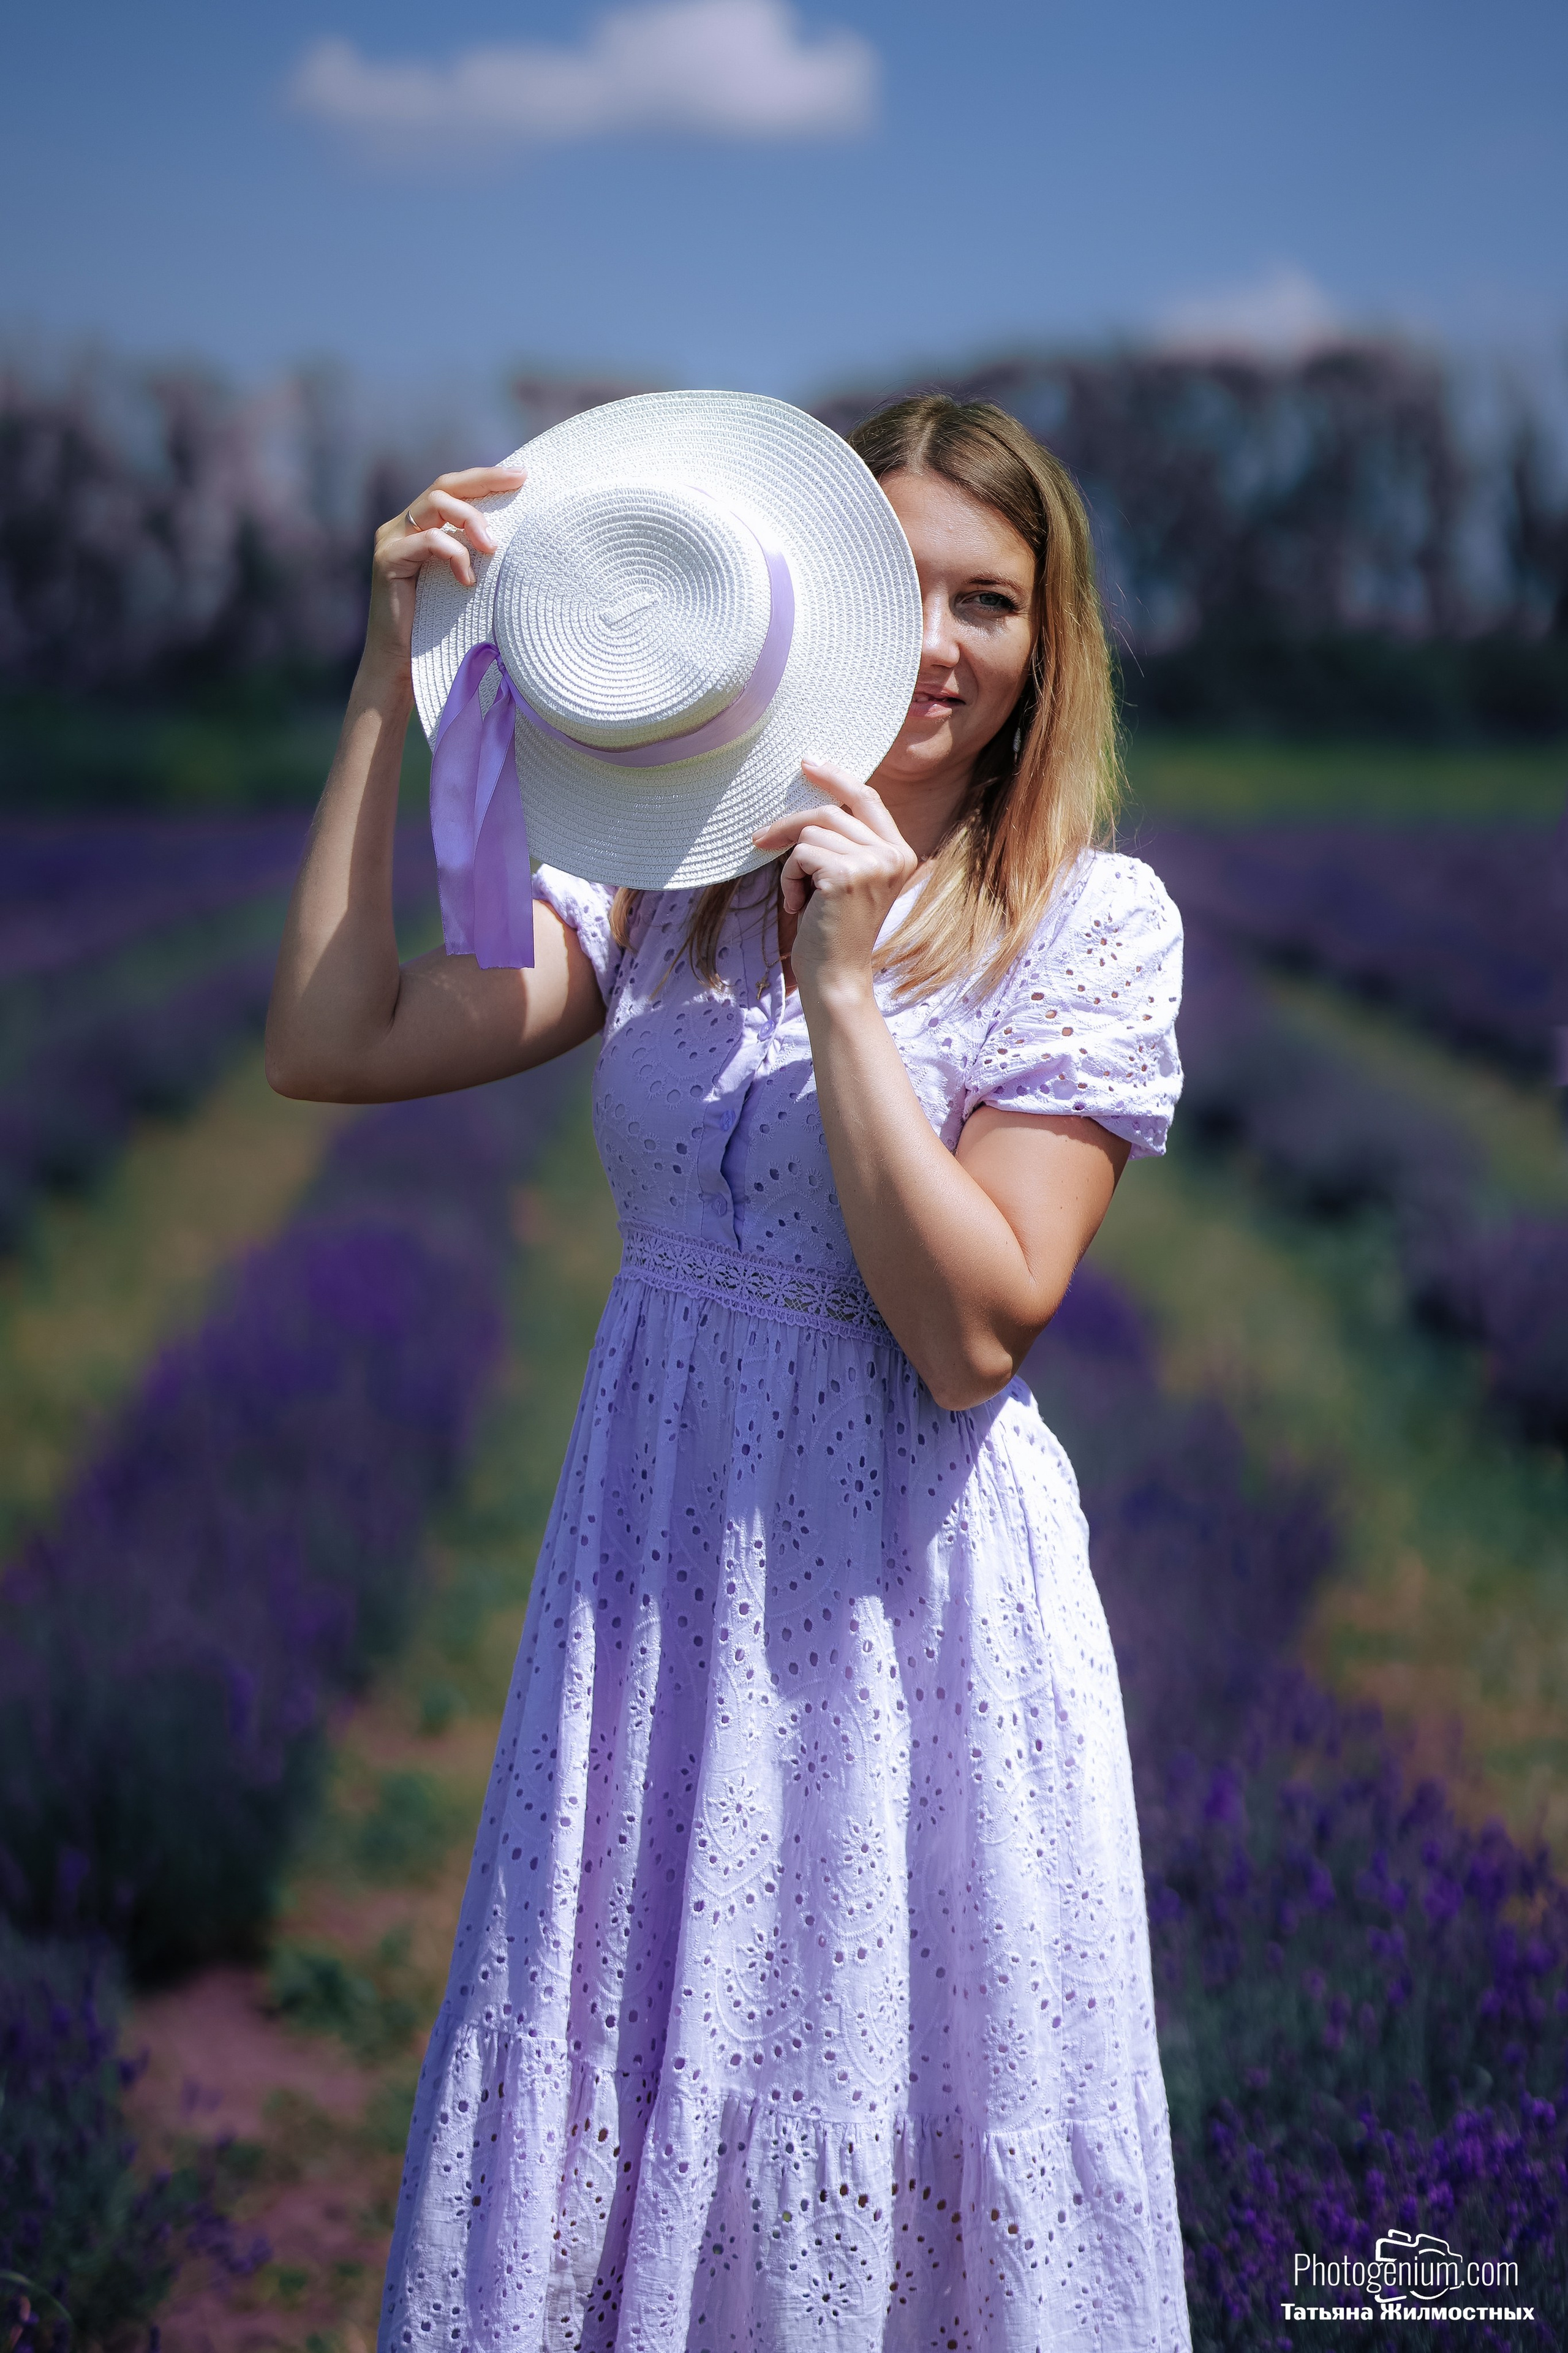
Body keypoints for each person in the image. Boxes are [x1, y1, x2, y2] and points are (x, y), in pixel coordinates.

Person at [266, 393, 1191, 2352]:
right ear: (813, 597)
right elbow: (334, 1038)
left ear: (1048, 651)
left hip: (906, 1611)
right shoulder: (661, 889)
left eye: (992, 602)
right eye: (904, 584)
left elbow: (971, 1328)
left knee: (885, 2109)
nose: (937, 647)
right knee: (626, 2088)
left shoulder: (1087, 926)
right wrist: (388, 683)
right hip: (658, 1567)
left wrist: (848, 983)